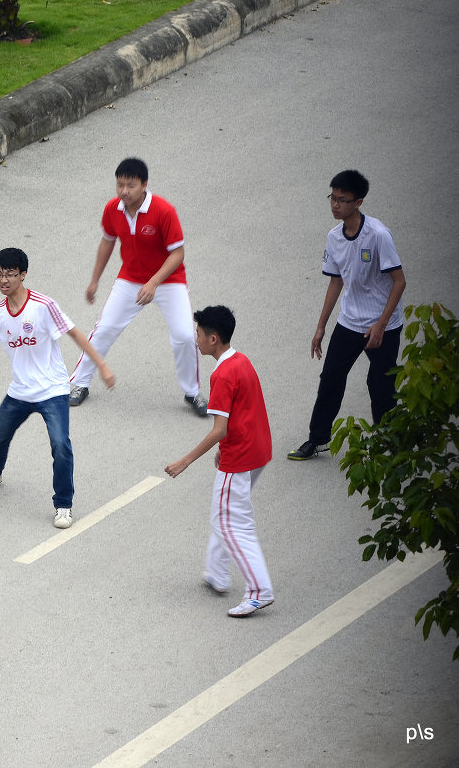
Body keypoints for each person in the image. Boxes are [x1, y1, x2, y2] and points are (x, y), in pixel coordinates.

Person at [0, 247, 114, 529]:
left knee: (60, 445)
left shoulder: (43, 306)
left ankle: (63, 505)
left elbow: (75, 334)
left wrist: (101, 366)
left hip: (52, 390)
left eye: (10, 274)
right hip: (20, 391)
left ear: (23, 274)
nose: (3, 280)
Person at [68, 157, 207, 416]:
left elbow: (178, 253)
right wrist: (95, 280)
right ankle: (80, 384)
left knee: (185, 336)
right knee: (104, 329)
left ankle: (192, 393)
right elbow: (107, 242)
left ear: (144, 185)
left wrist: (154, 282)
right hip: (130, 279)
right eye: (120, 185)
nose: (124, 191)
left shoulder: (164, 211)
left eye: (130, 185)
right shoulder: (113, 209)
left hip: (168, 281)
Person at [288, 170, 406, 460]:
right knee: (330, 378)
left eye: (342, 200)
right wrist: (320, 328)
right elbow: (336, 281)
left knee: (380, 385)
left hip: (384, 326)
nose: (335, 205)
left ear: (358, 202)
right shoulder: (334, 237)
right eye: (332, 197)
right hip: (350, 322)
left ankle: (388, 443)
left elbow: (399, 281)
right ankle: (317, 440)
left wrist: (381, 324)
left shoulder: (378, 235)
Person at [165, 306, 274, 618]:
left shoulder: (222, 374)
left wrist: (184, 461)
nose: (195, 338)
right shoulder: (241, 361)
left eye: (198, 334)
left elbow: (219, 429)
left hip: (238, 459)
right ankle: (217, 574)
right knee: (224, 515)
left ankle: (259, 591)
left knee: (231, 524)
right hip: (257, 452)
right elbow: (244, 414)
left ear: (213, 339)